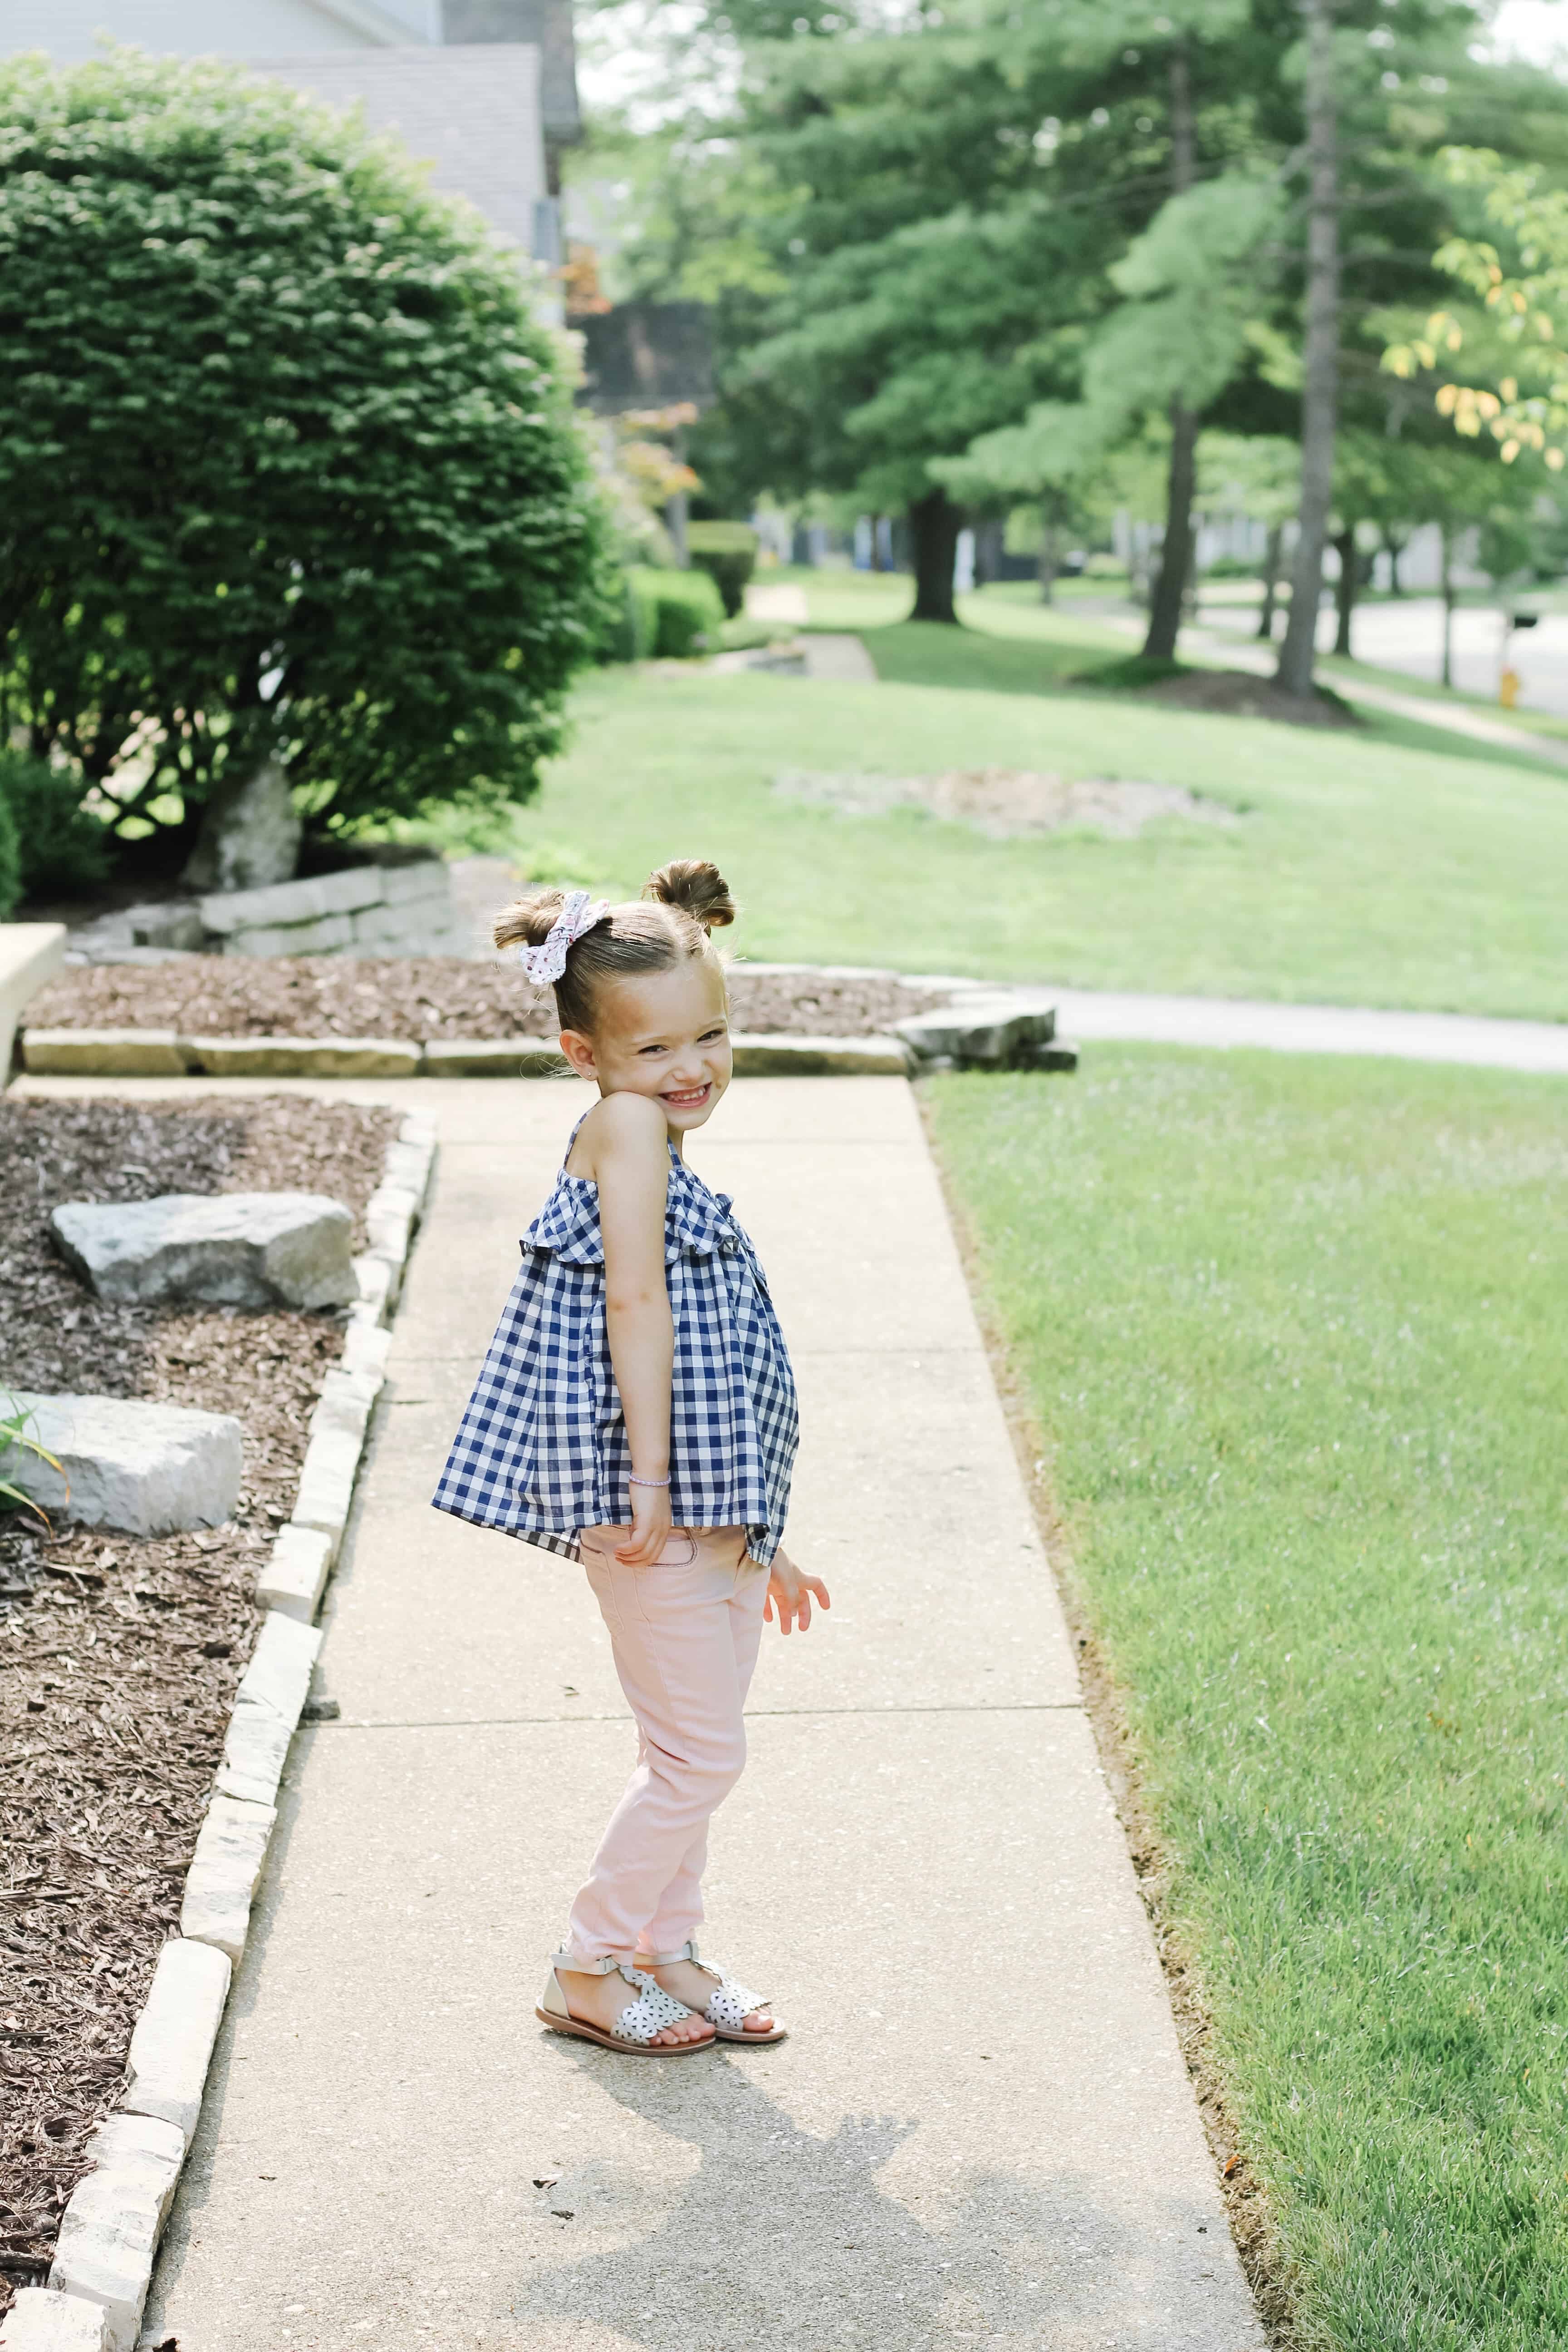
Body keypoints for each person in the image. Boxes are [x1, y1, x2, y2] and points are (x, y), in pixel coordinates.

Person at [432, 859, 829, 2054]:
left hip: (710, 1519)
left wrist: (764, 1538)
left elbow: (712, 1364)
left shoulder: (652, 1130)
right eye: (654, 1048)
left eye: (711, 1034)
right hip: (648, 1508)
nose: (691, 1067)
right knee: (701, 1757)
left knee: (687, 1755)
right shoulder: (624, 1127)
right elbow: (636, 1306)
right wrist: (650, 1492)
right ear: (584, 1055)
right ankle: (588, 1964)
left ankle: (669, 1949)